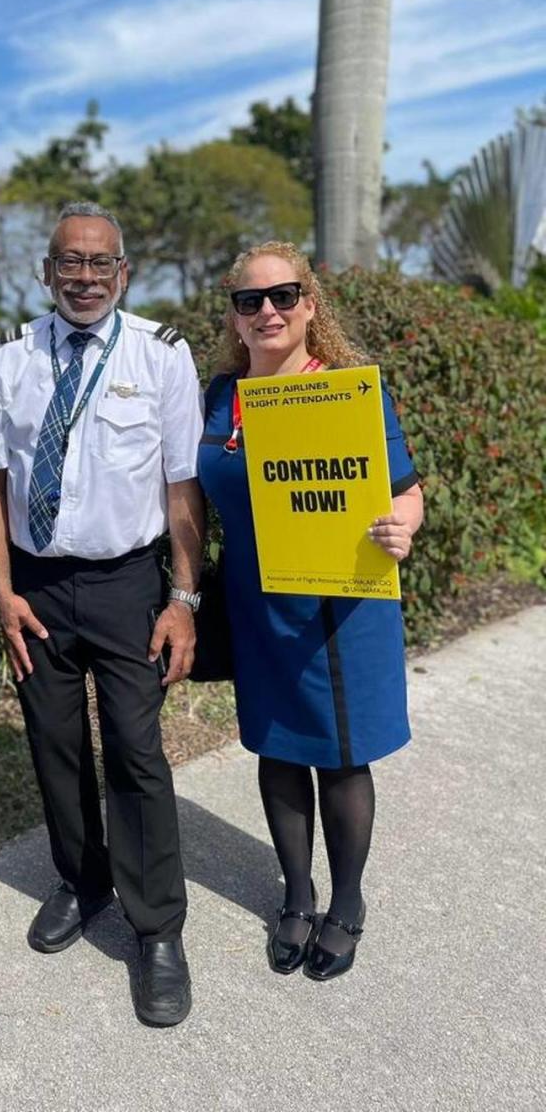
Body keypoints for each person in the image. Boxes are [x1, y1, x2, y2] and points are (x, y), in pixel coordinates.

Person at [0, 201, 205, 1027]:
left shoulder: (161, 355)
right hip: (37, 583)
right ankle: (81, 879)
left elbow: (183, 486)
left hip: (126, 586)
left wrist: (183, 596)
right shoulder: (7, 359)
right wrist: (3, 595)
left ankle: (157, 930)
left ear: (123, 273)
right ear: (46, 272)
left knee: (137, 751)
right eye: (68, 262)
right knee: (56, 742)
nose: (83, 277)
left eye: (99, 263)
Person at [198, 241, 423, 981]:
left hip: (340, 610)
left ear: (310, 306)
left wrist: (403, 524)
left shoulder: (348, 392)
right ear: (232, 316)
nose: (267, 311)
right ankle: (296, 895)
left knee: (341, 756)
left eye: (283, 296)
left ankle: (347, 903)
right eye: (249, 300)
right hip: (257, 604)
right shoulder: (219, 398)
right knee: (277, 748)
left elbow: (405, 487)